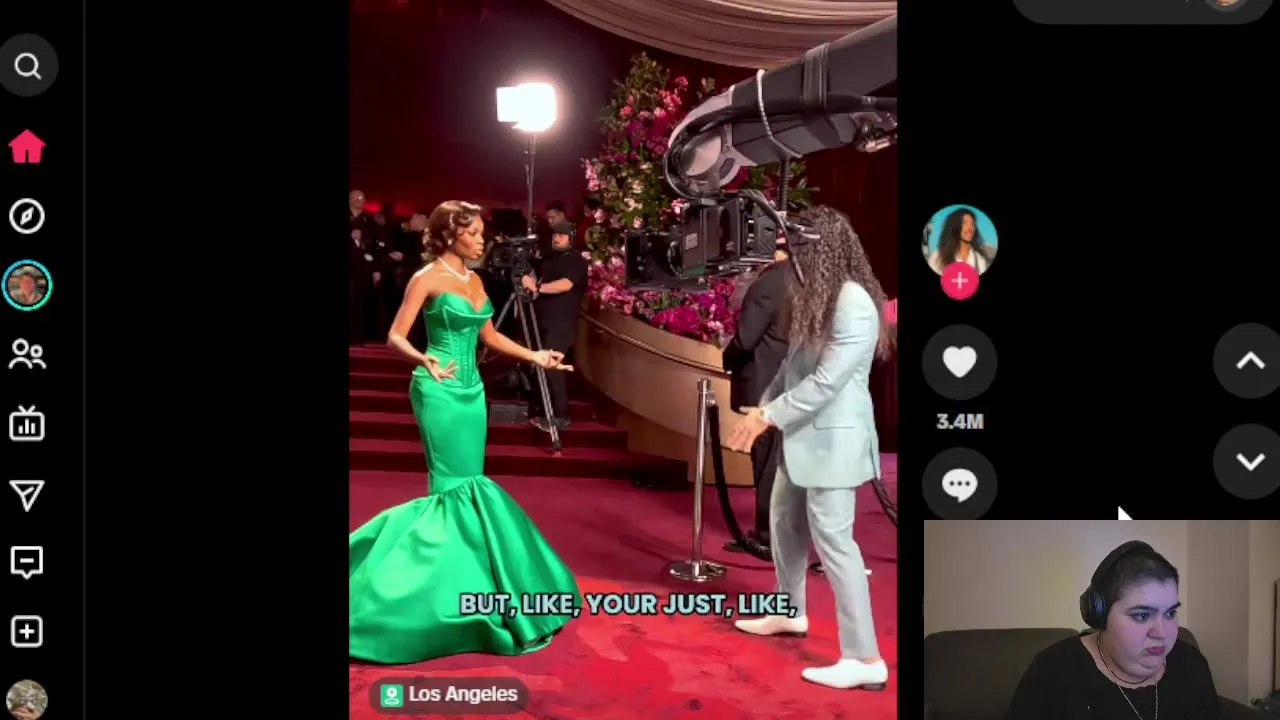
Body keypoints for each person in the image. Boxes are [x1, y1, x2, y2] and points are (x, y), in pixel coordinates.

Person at [349, 200, 580, 664]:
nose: (480, 240)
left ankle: (473, 580)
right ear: (448, 235)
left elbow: (489, 337)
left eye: (480, 232)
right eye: (472, 233)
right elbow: (395, 335)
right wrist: (423, 358)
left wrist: (536, 356)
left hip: (473, 394)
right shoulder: (426, 277)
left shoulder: (474, 281)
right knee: (452, 487)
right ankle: (421, 593)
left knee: (471, 482)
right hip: (437, 390)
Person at [726, 205, 896, 690]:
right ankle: (789, 611)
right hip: (803, 437)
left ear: (821, 250)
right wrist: (765, 405)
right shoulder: (817, 293)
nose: (788, 255)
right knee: (783, 522)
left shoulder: (854, 302)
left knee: (836, 543)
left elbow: (826, 383)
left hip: (835, 443)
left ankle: (865, 658)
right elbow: (792, 365)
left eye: (797, 247)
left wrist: (766, 417)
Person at [1006, 541, 1224, 719]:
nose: (1162, 633)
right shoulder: (1053, 672)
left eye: (1170, 613)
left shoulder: (1191, 663)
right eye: (1142, 615)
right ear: (1100, 615)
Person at [720, 244, 791, 556]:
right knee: (781, 463)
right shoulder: (806, 278)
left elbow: (746, 339)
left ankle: (768, 536)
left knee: (767, 463)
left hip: (765, 384)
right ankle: (777, 533)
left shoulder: (770, 283)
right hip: (790, 383)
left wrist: (727, 357)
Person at [520, 220, 588, 431]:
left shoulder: (577, 261)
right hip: (544, 320)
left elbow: (566, 284)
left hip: (562, 323)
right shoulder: (549, 260)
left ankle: (561, 415)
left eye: (561, 235)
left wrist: (538, 287)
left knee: (552, 367)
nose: (556, 238)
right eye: (554, 235)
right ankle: (543, 411)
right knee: (540, 365)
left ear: (571, 238)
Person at [926, 207, 996, 274]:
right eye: (965, 223)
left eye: (972, 224)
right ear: (955, 226)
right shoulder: (938, 257)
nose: (970, 228)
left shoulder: (980, 258)